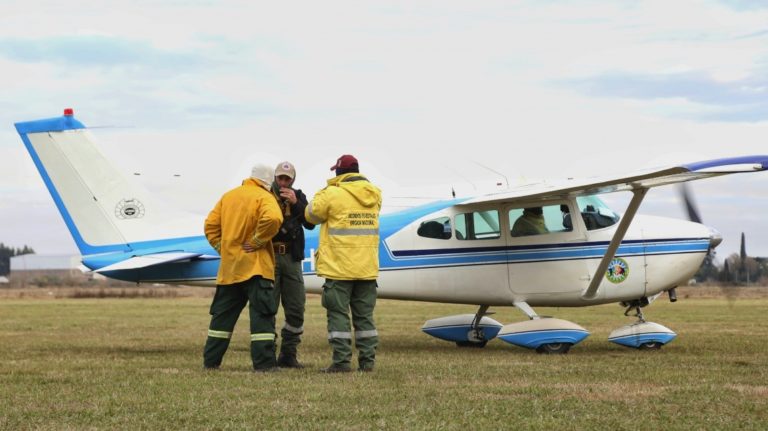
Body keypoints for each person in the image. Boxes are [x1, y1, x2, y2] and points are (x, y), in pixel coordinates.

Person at [305, 154, 382, 373]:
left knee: (338, 315)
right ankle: (367, 362)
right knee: (365, 317)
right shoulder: (375, 194)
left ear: (338, 172)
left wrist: (325, 190)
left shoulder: (332, 194)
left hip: (339, 268)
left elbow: (310, 215)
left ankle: (341, 362)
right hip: (367, 268)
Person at [202, 163, 283, 372]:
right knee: (262, 317)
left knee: (222, 318)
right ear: (268, 181)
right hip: (256, 268)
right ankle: (264, 365)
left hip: (230, 269)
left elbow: (210, 226)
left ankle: (211, 362)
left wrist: (223, 248)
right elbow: (274, 218)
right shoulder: (264, 197)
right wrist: (257, 241)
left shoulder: (228, 196)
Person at [266, 161, 315, 369]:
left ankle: (288, 355)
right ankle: (266, 357)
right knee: (267, 307)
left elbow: (311, 223)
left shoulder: (299, 196)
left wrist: (296, 203)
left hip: (292, 259)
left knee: (296, 308)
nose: (284, 182)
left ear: (293, 179)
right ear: (275, 178)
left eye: (287, 179)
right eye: (280, 178)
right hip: (269, 258)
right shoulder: (265, 195)